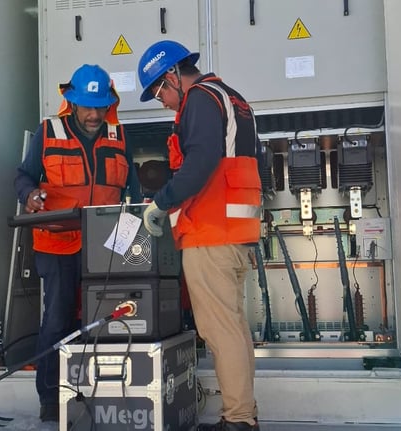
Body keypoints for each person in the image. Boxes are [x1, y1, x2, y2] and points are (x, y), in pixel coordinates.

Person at [136, 40, 262, 431]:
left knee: (220, 331)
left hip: (211, 233)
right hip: (235, 233)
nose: (161, 101)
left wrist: (161, 202)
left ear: (173, 74)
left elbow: (201, 162)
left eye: (159, 90)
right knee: (234, 328)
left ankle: (238, 420)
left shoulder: (200, 100)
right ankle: (245, 414)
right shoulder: (233, 99)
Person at [14, 64, 142, 422]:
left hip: (106, 246)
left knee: (106, 318)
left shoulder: (119, 135)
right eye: (87, 107)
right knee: (58, 319)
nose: (94, 115)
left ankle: (101, 391)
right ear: (72, 103)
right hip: (57, 243)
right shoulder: (48, 132)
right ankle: (50, 398)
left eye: (100, 107)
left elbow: (132, 191)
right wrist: (30, 195)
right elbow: (23, 176)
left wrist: (128, 238)